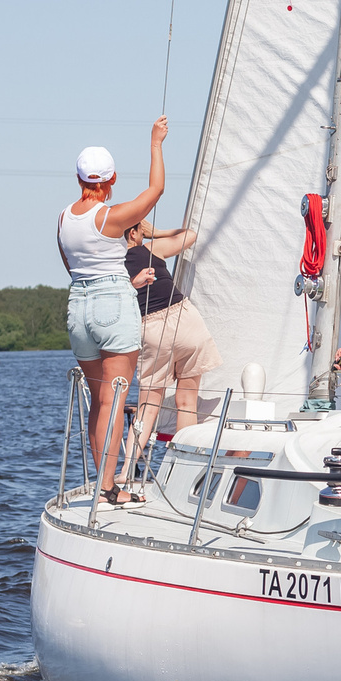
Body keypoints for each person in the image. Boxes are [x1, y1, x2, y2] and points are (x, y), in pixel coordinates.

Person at [57, 121, 166, 504]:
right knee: (115, 400)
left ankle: (101, 481)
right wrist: (156, 143)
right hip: (112, 306)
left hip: (78, 308)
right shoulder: (112, 217)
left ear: (78, 178)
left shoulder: (64, 218)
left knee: (98, 398)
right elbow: (155, 191)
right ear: (111, 178)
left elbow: (73, 268)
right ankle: (108, 488)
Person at [119, 219, 222, 476]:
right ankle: (183, 472)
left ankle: (125, 470)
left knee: (148, 405)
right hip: (185, 319)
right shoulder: (153, 249)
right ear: (135, 233)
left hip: (151, 328)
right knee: (187, 401)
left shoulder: (112, 264)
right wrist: (157, 232)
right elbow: (190, 235)